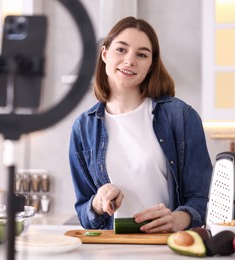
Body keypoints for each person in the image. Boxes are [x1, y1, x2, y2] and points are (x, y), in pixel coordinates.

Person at [68, 16, 212, 233]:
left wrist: (178, 219)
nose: (130, 60)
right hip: (109, 250)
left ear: (150, 64)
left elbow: (204, 197)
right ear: (105, 54)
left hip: (168, 248)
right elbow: (84, 212)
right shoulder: (83, 128)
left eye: (141, 54)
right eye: (121, 49)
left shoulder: (180, 116)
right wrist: (98, 203)